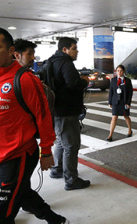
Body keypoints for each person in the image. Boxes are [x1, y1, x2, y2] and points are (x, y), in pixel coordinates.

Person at [0, 26, 69, 224]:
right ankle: (55, 220)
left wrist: (46, 151)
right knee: (21, 193)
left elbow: (44, 117)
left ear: (11, 51)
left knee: (1, 212)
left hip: (18, 153)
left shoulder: (24, 79)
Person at [48, 37, 91, 190]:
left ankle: (57, 169)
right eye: (74, 48)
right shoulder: (65, 63)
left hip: (57, 110)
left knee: (60, 141)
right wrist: (84, 81)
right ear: (65, 50)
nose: (77, 51)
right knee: (71, 146)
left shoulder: (51, 61)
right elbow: (73, 84)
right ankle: (71, 180)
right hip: (67, 110)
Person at [106, 65, 133, 141]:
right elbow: (111, 91)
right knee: (114, 117)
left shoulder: (127, 81)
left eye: (121, 71)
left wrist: (128, 103)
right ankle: (110, 135)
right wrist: (110, 102)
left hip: (124, 102)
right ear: (116, 71)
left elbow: (130, 93)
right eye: (118, 70)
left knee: (126, 116)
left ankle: (130, 130)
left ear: (123, 71)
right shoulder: (113, 80)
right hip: (115, 102)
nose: (119, 72)